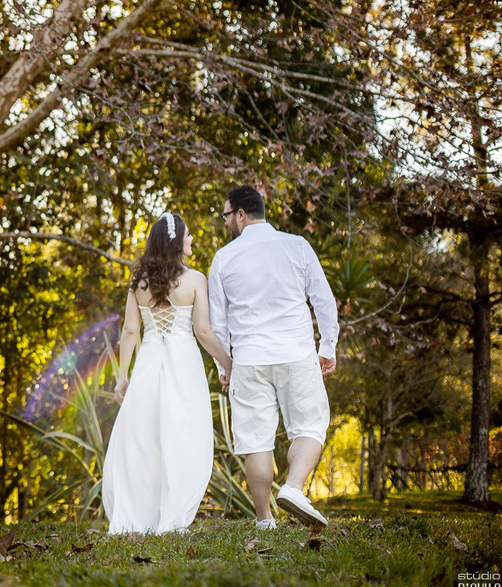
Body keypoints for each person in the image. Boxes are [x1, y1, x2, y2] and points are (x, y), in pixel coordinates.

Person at [208, 185, 338, 530]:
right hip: (296, 353)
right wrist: (328, 347)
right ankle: (294, 488)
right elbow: (323, 300)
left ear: (240, 214)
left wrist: (225, 368)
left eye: (225, 216)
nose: (225, 225)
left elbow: (218, 324)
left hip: (249, 360)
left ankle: (264, 520)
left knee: (255, 441)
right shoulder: (297, 246)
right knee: (310, 427)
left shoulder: (223, 258)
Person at [103, 211, 233, 535]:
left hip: (148, 362)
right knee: (184, 434)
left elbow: (131, 331)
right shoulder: (195, 280)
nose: (192, 240)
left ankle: (143, 515)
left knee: (145, 438)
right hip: (183, 364)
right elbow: (202, 331)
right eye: (188, 235)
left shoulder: (139, 282)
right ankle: (172, 516)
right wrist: (229, 364)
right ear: (177, 241)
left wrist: (123, 376)